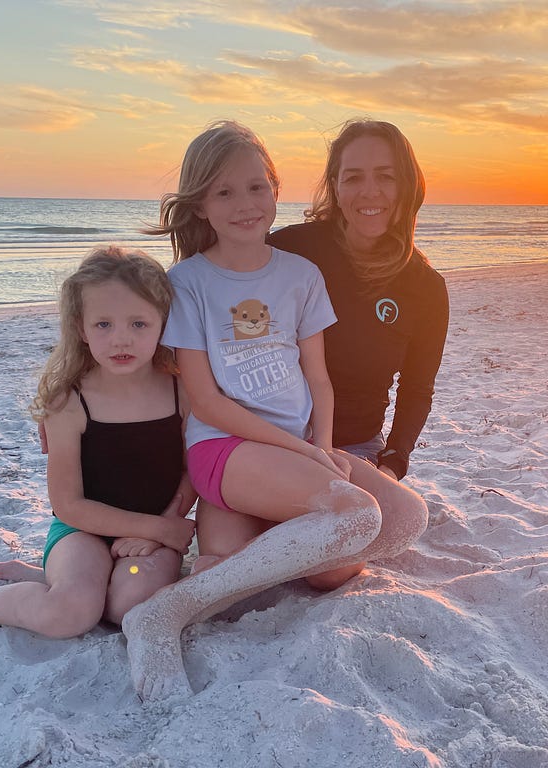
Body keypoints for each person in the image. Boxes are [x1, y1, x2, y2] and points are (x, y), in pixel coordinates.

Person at [124, 120, 430, 701]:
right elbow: (206, 399)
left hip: (297, 449)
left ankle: (279, 530)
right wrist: (304, 454)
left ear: (275, 187)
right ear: (201, 206)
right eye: (224, 192)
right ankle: (160, 615)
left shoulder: (300, 272)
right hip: (224, 449)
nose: (244, 204)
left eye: (256, 187)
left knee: (403, 520)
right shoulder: (188, 281)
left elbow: (319, 377)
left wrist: (326, 447)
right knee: (342, 523)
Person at [0, 247, 197, 665]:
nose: (121, 338)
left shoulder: (181, 389)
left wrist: (168, 520)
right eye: (103, 324)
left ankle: (55, 578)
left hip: (153, 534)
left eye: (139, 323)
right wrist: (158, 528)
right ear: (80, 328)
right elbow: (68, 505)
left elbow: (195, 468)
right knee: (71, 613)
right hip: (82, 531)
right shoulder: (69, 401)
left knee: (126, 606)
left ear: (162, 325)